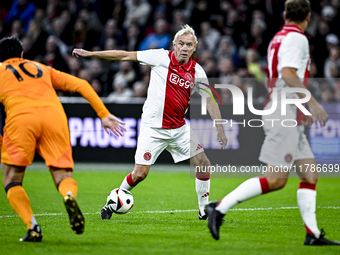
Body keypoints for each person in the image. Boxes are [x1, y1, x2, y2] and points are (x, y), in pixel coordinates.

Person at [206, 0, 340, 246]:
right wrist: (312, 103)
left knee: (310, 175)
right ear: (308, 17)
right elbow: (288, 74)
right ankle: (219, 208)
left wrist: (300, 108)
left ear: (285, 15)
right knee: (277, 179)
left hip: (288, 111)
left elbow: (280, 77)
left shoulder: (278, 37)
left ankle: (312, 235)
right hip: (283, 114)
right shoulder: (298, 39)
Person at [73, 24, 228, 220]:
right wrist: (90, 54)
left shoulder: (197, 72)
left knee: (203, 164)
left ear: (194, 48)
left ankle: (204, 211)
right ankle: (113, 202)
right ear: (174, 45)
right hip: (153, 129)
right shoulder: (160, 57)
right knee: (139, 174)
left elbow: (210, 101)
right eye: (181, 43)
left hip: (179, 128)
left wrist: (220, 129)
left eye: (189, 45)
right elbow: (124, 55)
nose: (185, 48)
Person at [0, 36, 125, 242]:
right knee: (62, 175)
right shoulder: (41, 68)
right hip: (54, 117)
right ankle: (69, 196)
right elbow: (82, 84)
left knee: (11, 179)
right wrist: (103, 114)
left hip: (21, 118)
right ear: (22, 55)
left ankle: (33, 228)